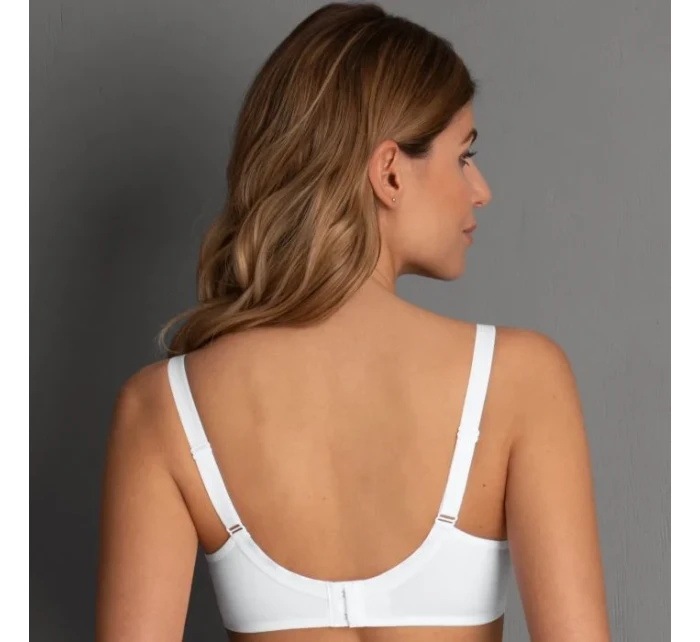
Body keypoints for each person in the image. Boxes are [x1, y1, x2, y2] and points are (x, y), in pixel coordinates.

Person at [95, 3, 610, 641]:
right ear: (389, 172)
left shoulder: (160, 409)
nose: (480, 189)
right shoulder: (520, 380)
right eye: (463, 156)